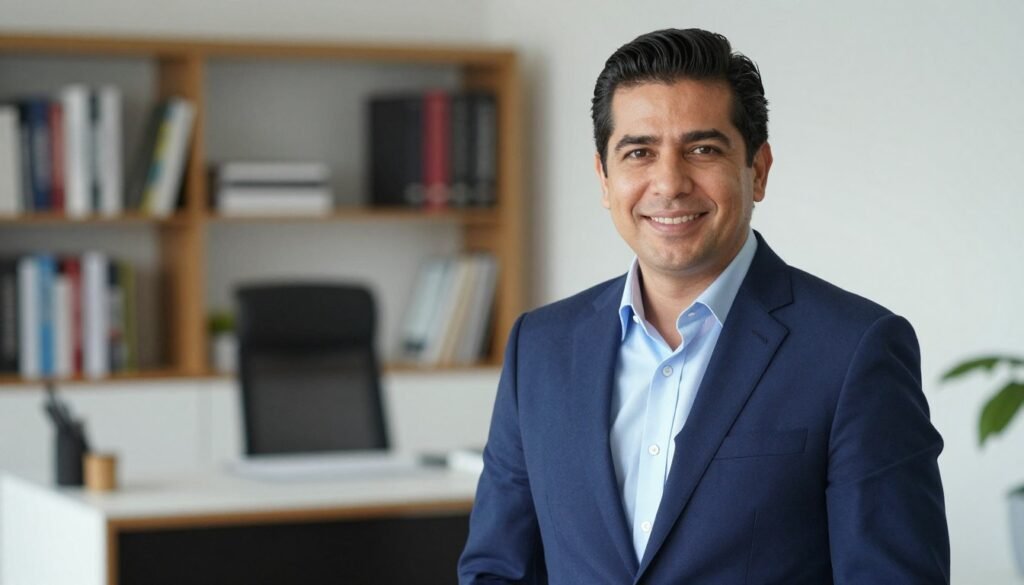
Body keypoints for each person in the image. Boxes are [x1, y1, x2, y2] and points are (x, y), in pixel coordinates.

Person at [458, 28, 950, 584]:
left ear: (758, 170)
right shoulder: (540, 347)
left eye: (703, 149)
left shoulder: (854, 349)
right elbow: (497, 569)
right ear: (604, 177)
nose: (669, 183)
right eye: (639, 152)